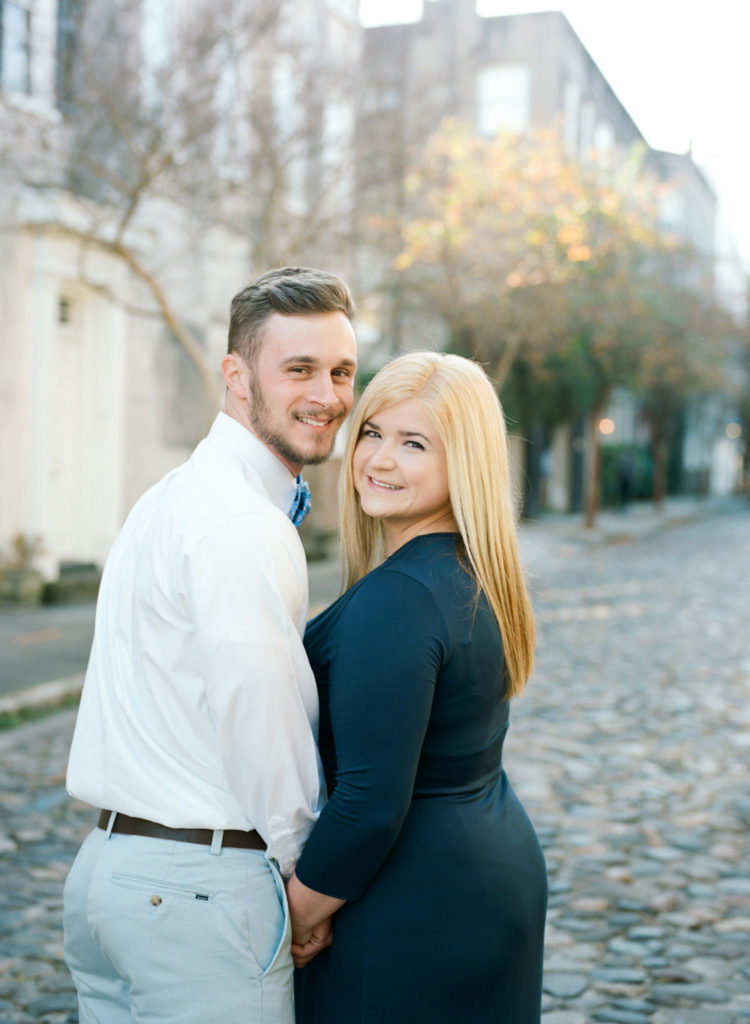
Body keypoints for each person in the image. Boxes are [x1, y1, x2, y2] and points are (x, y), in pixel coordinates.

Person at [62, 266, 358, 1024]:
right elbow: (261, 720)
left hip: (108, 877)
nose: (326, 395)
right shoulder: (241, 522)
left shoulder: (170, 497)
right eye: (299, 369)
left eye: (341, 371)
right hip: (197, 891)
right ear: (235, 375)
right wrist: (304, 886)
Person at [287, 351, 548, 1023]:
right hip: (487, 875)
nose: (378, 459)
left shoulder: (398, 598)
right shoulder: (466, 573)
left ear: (463, 463)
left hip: (412, 905)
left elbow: (370, 803)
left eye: (413, 443)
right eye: (372, 432)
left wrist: (294, 916)